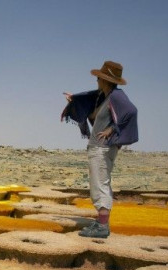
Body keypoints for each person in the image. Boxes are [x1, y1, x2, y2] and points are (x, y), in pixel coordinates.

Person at [61, 60, 138, 238]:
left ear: (106, 80)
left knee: (100, 185)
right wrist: (74, 101)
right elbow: (93, 114)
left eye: (99, 78)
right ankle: (101, 222)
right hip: (99, 148)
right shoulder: (105, 98)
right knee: (100, 184)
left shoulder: (116, 96)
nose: (97, 81)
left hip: (102, 149)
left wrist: (112, 130)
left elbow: (131, 112)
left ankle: (102, 227)